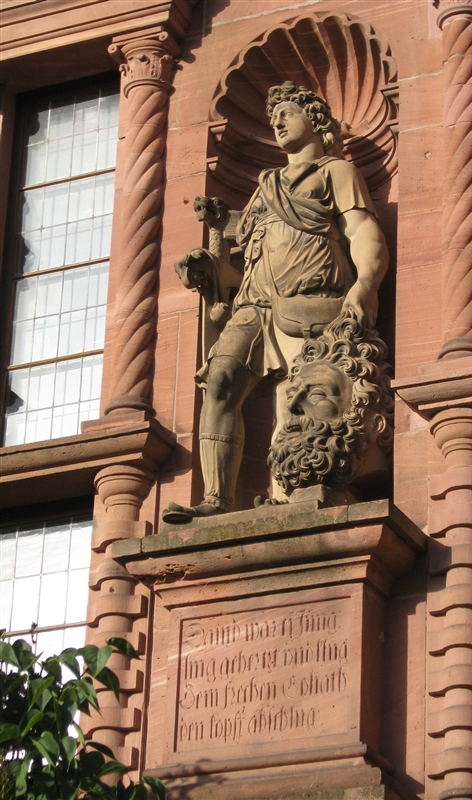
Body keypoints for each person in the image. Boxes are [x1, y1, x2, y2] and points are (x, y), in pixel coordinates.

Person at [163, 82, 388, 523]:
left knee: (296, 398)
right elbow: (243, 262)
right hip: (253, 305)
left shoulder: (335, 172)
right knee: (220, 379)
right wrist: (208, 269)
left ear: (316, 121)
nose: (278, 122)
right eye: (273, 118)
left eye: (287, 113)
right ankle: (217, 499)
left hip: (310, 301)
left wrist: (366, 283)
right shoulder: (266, 185)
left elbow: (362, 230)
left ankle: (293, 496)